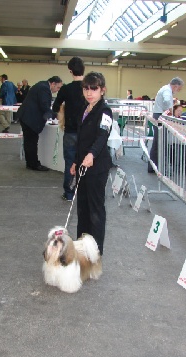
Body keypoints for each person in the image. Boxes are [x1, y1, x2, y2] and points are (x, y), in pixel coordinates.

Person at [69, 72, 113, 256]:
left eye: (94, 89)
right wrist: (75, 161)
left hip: (97, 167)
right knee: (82, 208)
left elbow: (103, 136)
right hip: (82, 166)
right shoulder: (84, 109)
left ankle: (95, 253)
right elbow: (81, 140)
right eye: (86, 88)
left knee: (95, 210)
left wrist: (92, 154)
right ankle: (81, 248)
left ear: (102, 90)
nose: (89, 92)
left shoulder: (105, 111)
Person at [52, 56, 85, 201]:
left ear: (70, 71)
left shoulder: (66, 89)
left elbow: (55, 107)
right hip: (86, 132)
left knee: (70, 163)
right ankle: (84, 192)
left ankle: (69, 193)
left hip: (71, 131)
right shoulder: (89, 89)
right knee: (87, 162)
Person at [17, 76, 63, 171]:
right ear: (53, 83)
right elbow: (44, 106)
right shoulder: (44, 89)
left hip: (26, 117)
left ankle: (30, 163)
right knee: (32, 142)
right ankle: (34, 164)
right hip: (30, 119)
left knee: (29, 142)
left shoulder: (41, 85)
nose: (57, 90)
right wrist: (56, 116)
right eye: (58, 87)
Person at [148, 77, 184, 173]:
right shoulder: (167, 91)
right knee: (161, 143)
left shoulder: (165, 89)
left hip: (159, 115)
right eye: (179, 89)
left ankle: (154, 166)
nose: (178, 91)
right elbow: (167, 100)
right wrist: (170, 111)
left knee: (157, 143)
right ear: (175, 86)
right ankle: (159, 167)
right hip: (161, 116)